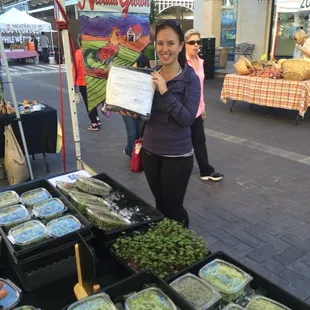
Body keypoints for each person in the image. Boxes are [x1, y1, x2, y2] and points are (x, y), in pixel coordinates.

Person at [124, 20, 200, 227]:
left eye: (170, 43)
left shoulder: (189, 79)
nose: (164, 49)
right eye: (160, 43)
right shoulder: (151, 74)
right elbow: (145, 113)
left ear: (180, 46)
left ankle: (181, 244)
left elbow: (186, 119)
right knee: (159, 205)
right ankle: (164, 250)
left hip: (177, 155)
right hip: (150, 152)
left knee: (173, 208)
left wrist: (165, 91)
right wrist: (131, 110)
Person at [185, 29, 223, 182]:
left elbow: (200, 87)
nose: (196, 45)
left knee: (199, 140)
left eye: (198, 42)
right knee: (182, 142)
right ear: (184, 44)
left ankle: (205, 170)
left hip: (196, 110)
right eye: (192, 42)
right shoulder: (181, 62)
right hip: (183, 109)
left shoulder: (200, 62)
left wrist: (203, 106)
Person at [123, 53, 151, 158]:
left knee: (139, 134)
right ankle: (132, 156)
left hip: (141, 107)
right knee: (132, 134)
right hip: (127, 106)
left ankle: (129, 150)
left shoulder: (145, 67)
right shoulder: (126, 70)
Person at [74, 34, 101, 131]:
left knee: (88, 103)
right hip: (93, 80)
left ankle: (94, 122)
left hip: (83, 82)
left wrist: (73, 84)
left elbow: (75, 69)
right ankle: (97, 119)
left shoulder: (78, 54)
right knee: (92, 101)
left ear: (79, 42)